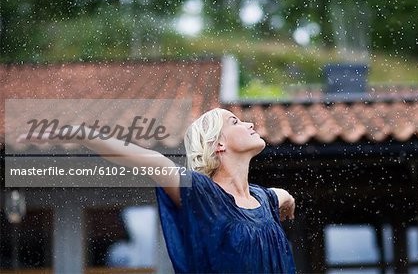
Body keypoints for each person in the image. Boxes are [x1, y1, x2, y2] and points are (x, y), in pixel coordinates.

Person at [19, 107, 297, 273]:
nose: (249, 123)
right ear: (218, 145)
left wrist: (288, 201)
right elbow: (151, 161)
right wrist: (81, 133)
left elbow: (282, 195)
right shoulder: (203, 195)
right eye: (235, 122)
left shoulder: (264, 199)